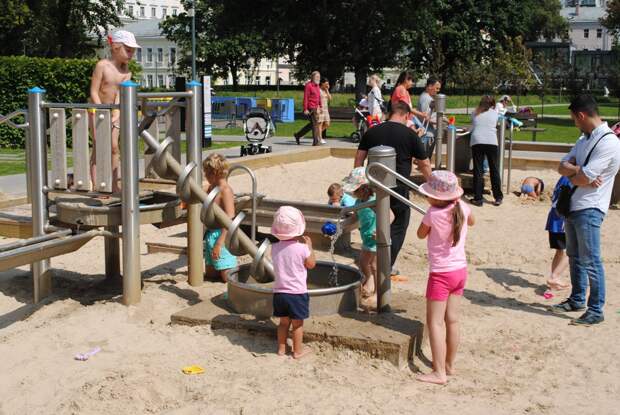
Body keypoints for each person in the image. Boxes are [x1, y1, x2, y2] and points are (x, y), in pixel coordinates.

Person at [551, 95, 620, 326]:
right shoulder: (584, 138)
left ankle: (596, 309)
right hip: (574, 205)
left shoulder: (608, 142)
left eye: (574, 119)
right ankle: (577, 299)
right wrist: (579, 170)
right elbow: (563, 166)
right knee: (575, 257)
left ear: (581, 115)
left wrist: (578, 173)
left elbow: (581, 178)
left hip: (590, 207)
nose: (574, 123)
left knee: (591, 260)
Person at [354, 101, 432, 271]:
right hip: (399, 186)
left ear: (390, 113)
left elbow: (359, 158)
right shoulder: (410, 135)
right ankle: (386, 264)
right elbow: (425, 164)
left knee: (376, 221)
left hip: (373, 185)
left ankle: (374, 259)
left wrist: (359, 181)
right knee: (399, 224)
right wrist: (432, 186)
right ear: (407, 116)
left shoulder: (372, 131)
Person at [415, 170, 474, 385]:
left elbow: (420, 234)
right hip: (460, 271)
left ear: (435, 197)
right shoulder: (463, 208)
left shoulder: (433, 214)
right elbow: (472, 220)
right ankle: (449, 365)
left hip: (441, 274)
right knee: (453, 320)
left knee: (435, 323)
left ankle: (439, 372)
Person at [89, 30, 139, 192]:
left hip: (115, 112)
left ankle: (114, 184)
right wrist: (100, 111)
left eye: (133, 50)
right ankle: (98, 185)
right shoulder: (102, 66)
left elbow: (119, 94)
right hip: (97, 111)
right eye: (128, 49)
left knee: (114, 147)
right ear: (116, 47)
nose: (131, 54)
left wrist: (116, 114)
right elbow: (94, 91)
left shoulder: (126, 72)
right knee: (99, 147)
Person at [271, 206, 316, 359]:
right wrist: (310, 248)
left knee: (283, 323)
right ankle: (297, 352)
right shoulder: (302, 248)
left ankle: (281, 349)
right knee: (297, 325)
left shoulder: (274, 248)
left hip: (279, 293)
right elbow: (311, 264)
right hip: (297, 293)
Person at [202, 154, 237, 282]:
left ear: (215, 173)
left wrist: (219, 243)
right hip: (211, 234)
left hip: (222, 235)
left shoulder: (225, 191)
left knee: (227, 276)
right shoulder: (211, 187)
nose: (205, 176)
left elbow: (229, 219)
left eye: (206, 173)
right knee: (211, 274)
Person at [343, 167, 377, 298]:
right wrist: (341, 225)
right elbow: (355, 217)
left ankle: (378, 293)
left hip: (377, 239)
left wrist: (380, 231)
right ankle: (369, 280)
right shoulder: (359, 202)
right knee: (363, 263)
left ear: (363, 188)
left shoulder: (374, 201)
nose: (352, 194)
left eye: (354, 191)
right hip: (366, 239)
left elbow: (389, 216)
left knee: (375, 266)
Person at [469, 95, 503, 207]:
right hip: (492, 141)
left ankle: (478, 198)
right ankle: (498, 197)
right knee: (494, 169)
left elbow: (473, 125)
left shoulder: (475, 112)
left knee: (478, 170)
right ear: (492, 104)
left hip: (477, 140)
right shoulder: (495, 113)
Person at [546, 176, 571, 290]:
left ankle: (553, 281)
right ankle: (554, 277)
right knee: (573, 252)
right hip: (562, 220)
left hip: (553, 219)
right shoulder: (573, 178)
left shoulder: (563, 177)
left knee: (559, 251)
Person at [294, 71, 322, 146]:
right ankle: (316, 142)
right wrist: (305, 108)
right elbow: (306, 98)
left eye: (319, 77)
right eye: (317, 77)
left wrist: (320, 106)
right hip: (310, 107)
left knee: (312, 124)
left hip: (316, 108)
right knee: (315, 124)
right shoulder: (308, 85)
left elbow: (319, 97)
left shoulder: (317, 86)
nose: (318, 78)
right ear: (312, 77)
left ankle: (298, 135)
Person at [416, 78, 441, 143]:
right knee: (427, 153)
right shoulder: (426, 98)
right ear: (430, 86)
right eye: (437, 88)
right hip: (426, 134)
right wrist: (441, 122)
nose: (438, 90)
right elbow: (426, 117)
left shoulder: (425, 96)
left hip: (427, 133)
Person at [317, 77, 331, 144]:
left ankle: (317, 134)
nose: (327, 85)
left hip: (326, 109)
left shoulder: (326, 90)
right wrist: (319, 108)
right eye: (326, 83)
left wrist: (327, 90)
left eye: (328, 84)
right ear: (322, 83)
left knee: (327, 124)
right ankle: (320, 138)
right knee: (320, 124)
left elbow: (330, 98)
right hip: (320, 109)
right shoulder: (318, 90)